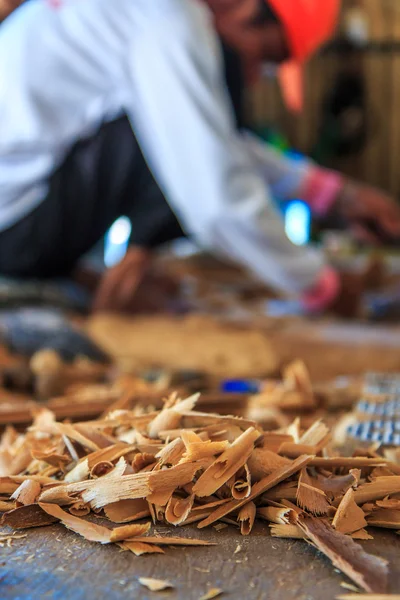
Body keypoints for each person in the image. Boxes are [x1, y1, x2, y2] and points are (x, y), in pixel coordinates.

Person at [0, 0, 399, 317]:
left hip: (18, 213)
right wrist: (319, 285)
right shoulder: (169, 17)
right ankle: (122, 282)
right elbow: (216, 196)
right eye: (268, 56)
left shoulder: (139, 15)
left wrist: (335, 194)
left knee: (180, 137)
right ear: (245, 8)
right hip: (16, 228)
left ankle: (120, 272)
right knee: (179, 149)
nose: (257, 76)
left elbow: (212, 142)